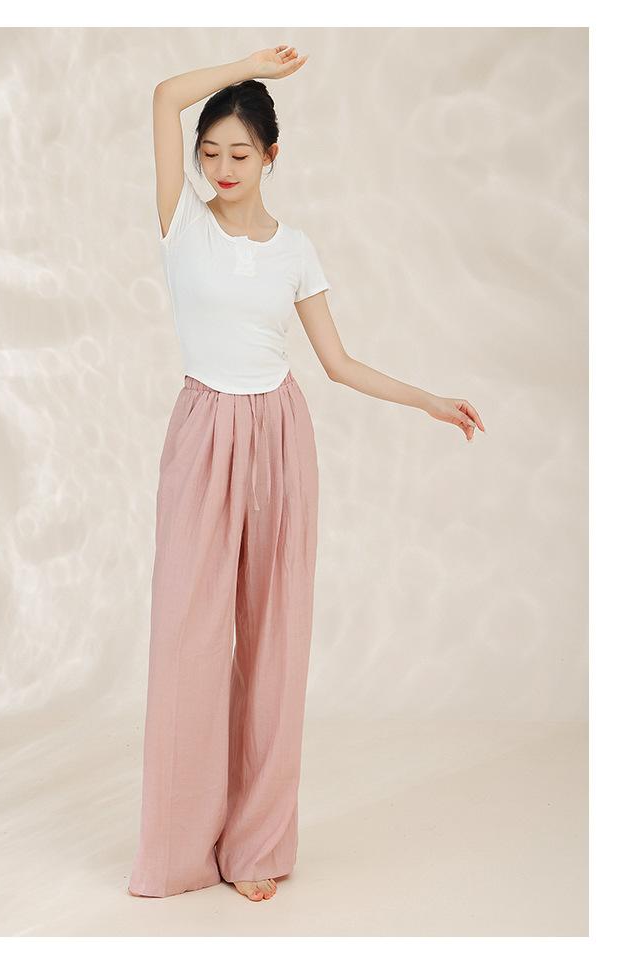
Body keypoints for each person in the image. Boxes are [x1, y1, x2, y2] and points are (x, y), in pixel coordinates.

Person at [128, 44, 485, 903]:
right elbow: (165, 95)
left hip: (279, 435)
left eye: (239, 153)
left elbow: (339, 362)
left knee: (274, 640)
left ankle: (255, 846)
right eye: (210, 152)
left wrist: (429, 400)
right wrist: (247, 65)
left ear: (271, 157)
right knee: (187, 639)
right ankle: (179, 850)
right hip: (204, 430)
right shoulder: (182, 223)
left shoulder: (296, 249)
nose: (221, 168)